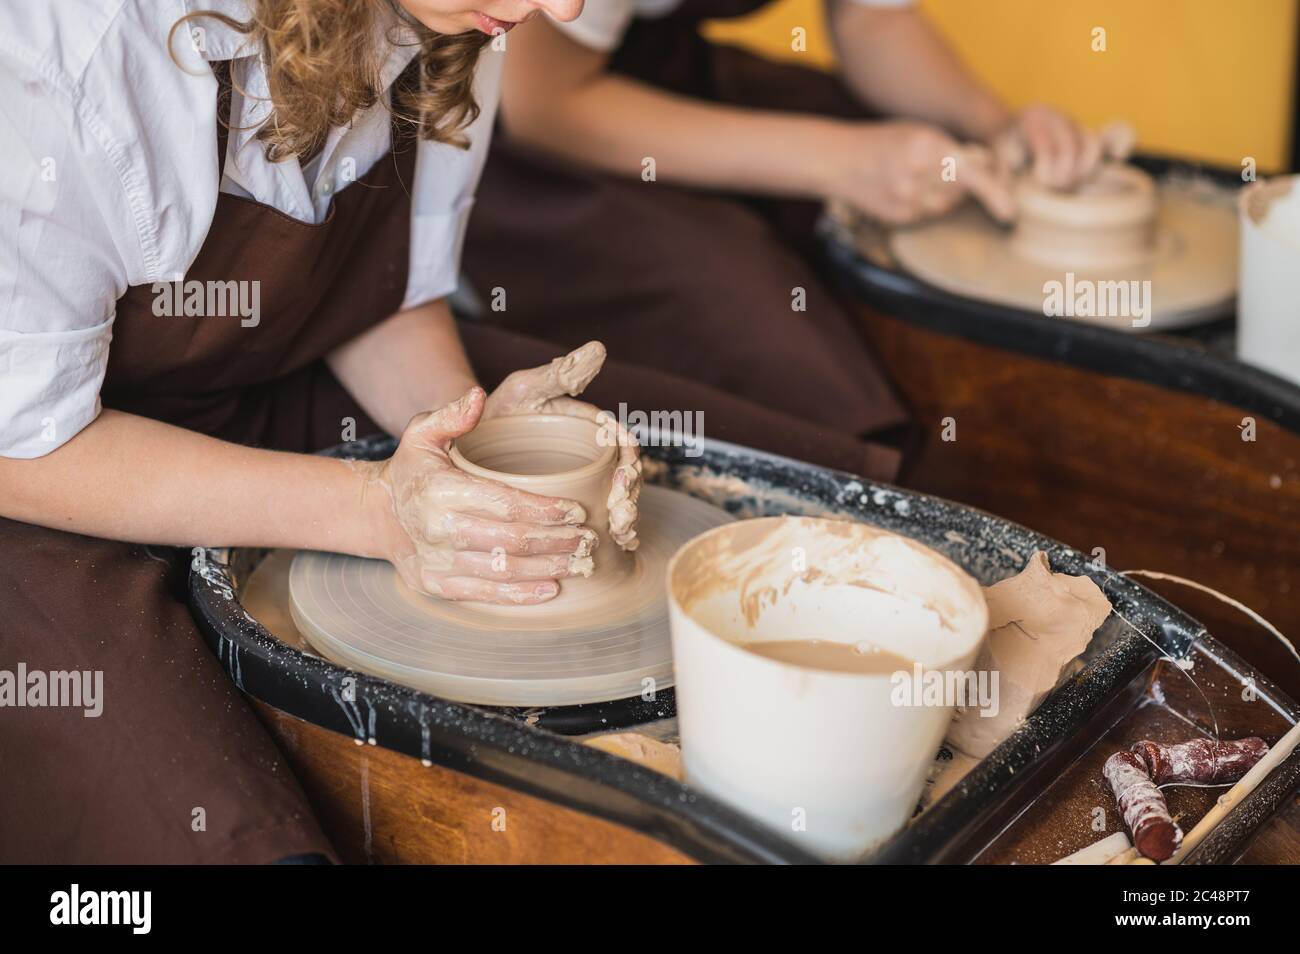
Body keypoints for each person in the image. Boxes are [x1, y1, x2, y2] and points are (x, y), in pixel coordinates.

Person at [0, 0, 896, 864]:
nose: (566, 5)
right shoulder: (81, 49)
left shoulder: (461, 18)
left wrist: (469, 436)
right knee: (220, 827)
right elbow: (21, 444)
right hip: (55, 483)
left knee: (819, 491)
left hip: (264, 376)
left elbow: (380, 292)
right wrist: (372, 512)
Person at [463, 0, 1099, 435]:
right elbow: (546, 105)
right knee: (762, 324)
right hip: (490, 124)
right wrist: (836, 161)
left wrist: (996, 129)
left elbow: (873, 23)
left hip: (655, 61)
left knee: (932, 174)